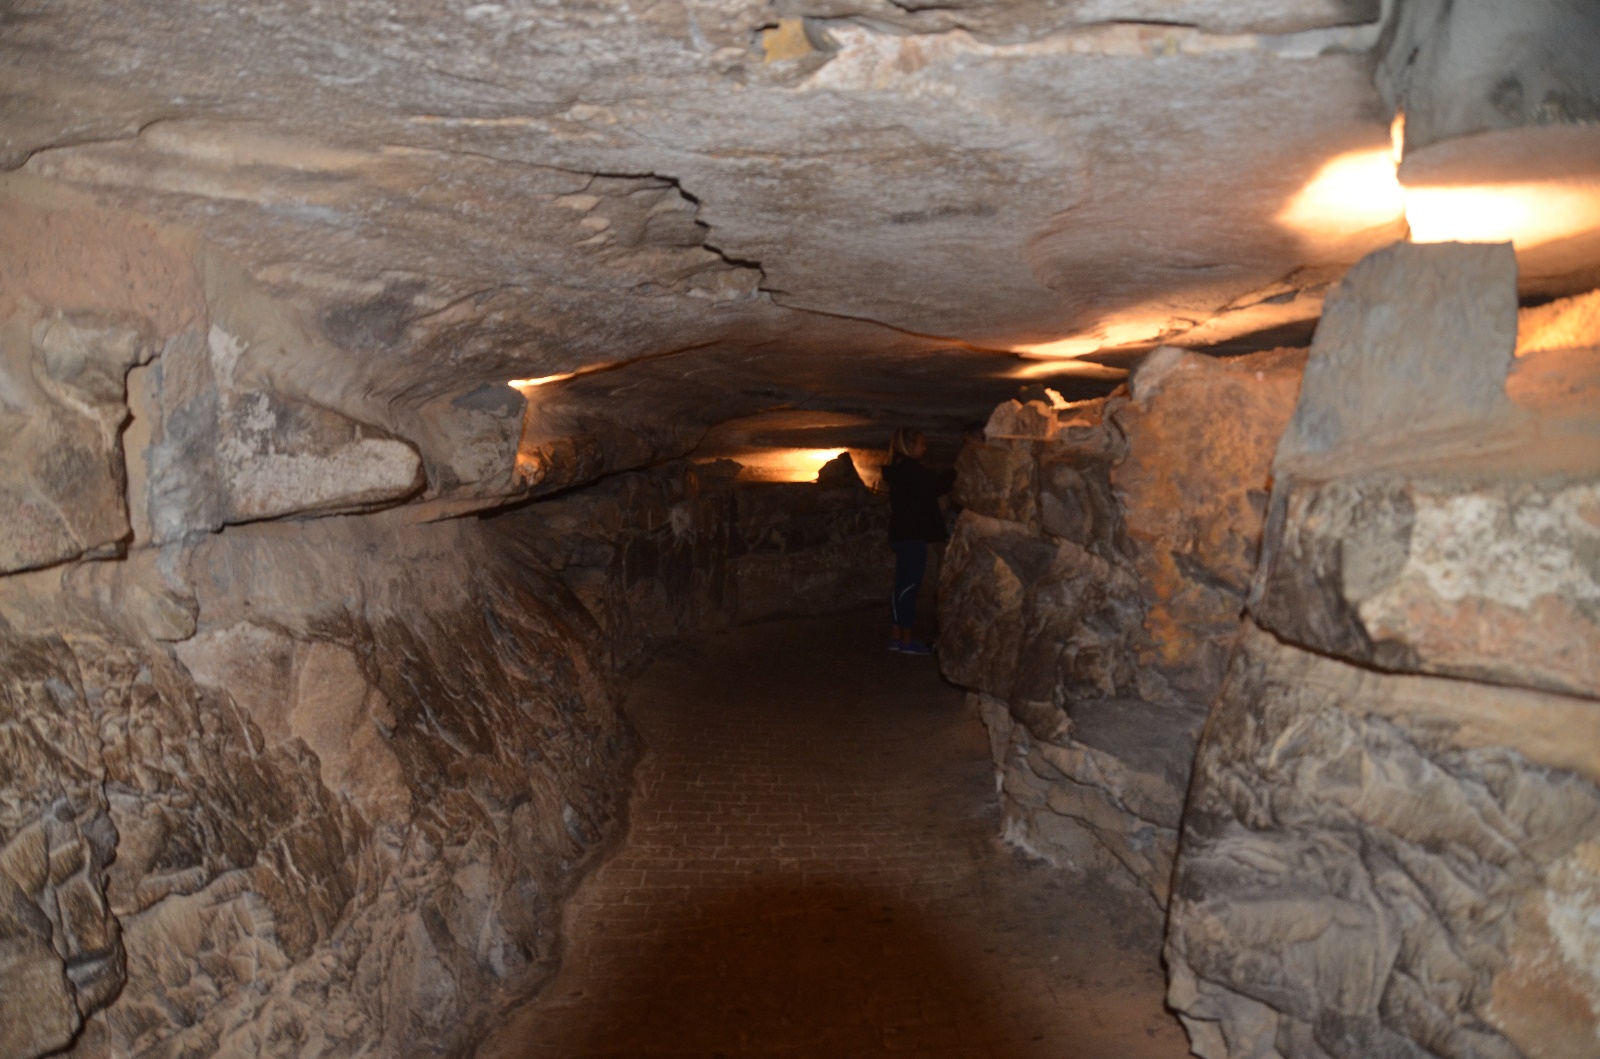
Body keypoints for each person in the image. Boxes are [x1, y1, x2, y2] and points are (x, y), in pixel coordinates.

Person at [881, 427, 955, 655]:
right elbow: (936, 484)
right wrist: (958, 471)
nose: (925, 448)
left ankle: (897, 635)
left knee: (902, 586)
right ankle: (906, 639)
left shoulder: (899, 470)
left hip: (902, 535)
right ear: (909, 446)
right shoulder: (910, 471)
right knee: (909, 587)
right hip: (912, 536)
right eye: (921, 444)